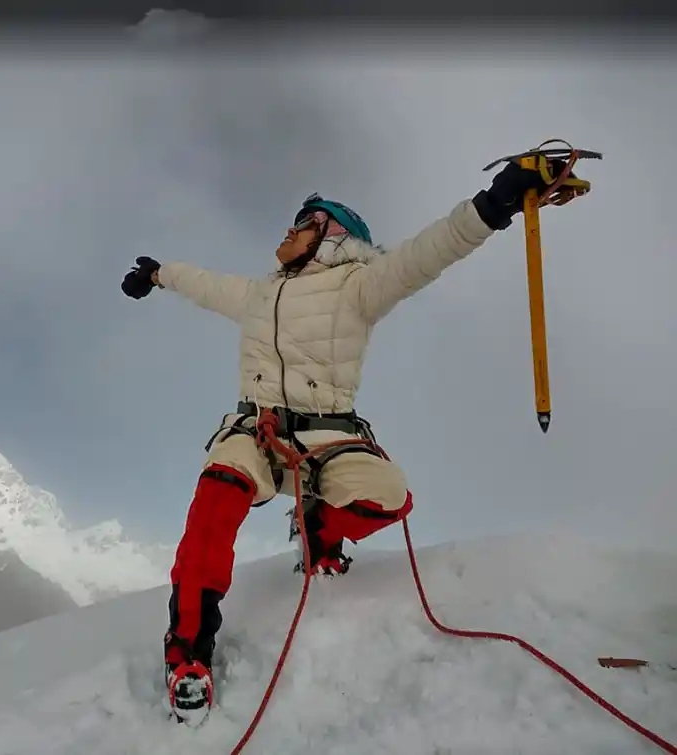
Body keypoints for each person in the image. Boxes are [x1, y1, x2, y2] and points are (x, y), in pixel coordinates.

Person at [120, 159, 569, 721]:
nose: (289, 229)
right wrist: (160, 273)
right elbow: (205, 286)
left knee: (389, 496)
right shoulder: (261, 294)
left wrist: (498, 201)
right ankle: (188, 651)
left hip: (329, 437)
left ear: (334, 236)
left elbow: (432, 250)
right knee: (216, 494)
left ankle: (319, 532)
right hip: (255, 432)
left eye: (305, 220)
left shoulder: (360, 286)